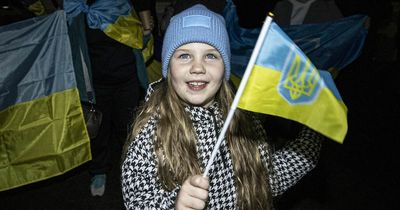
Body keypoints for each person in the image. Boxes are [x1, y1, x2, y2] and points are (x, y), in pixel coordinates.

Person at [121, 4, 322, 209]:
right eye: (184, 55)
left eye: (210, 56)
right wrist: (176, 206)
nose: (198, 67)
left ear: (224, 66)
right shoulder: (151, 132)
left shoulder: (243, 121)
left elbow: (267, 180)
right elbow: (138, 201)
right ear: (168, 67)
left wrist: (312, 136)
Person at [85, 0, 142, 197]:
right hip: (96, 84)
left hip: (127, 79)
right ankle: (99, 171)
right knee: (98, 130)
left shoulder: (125, 6)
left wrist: (145, 29)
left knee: (127, 128)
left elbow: (140, 39)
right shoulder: (80, 10)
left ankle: (133, 171)